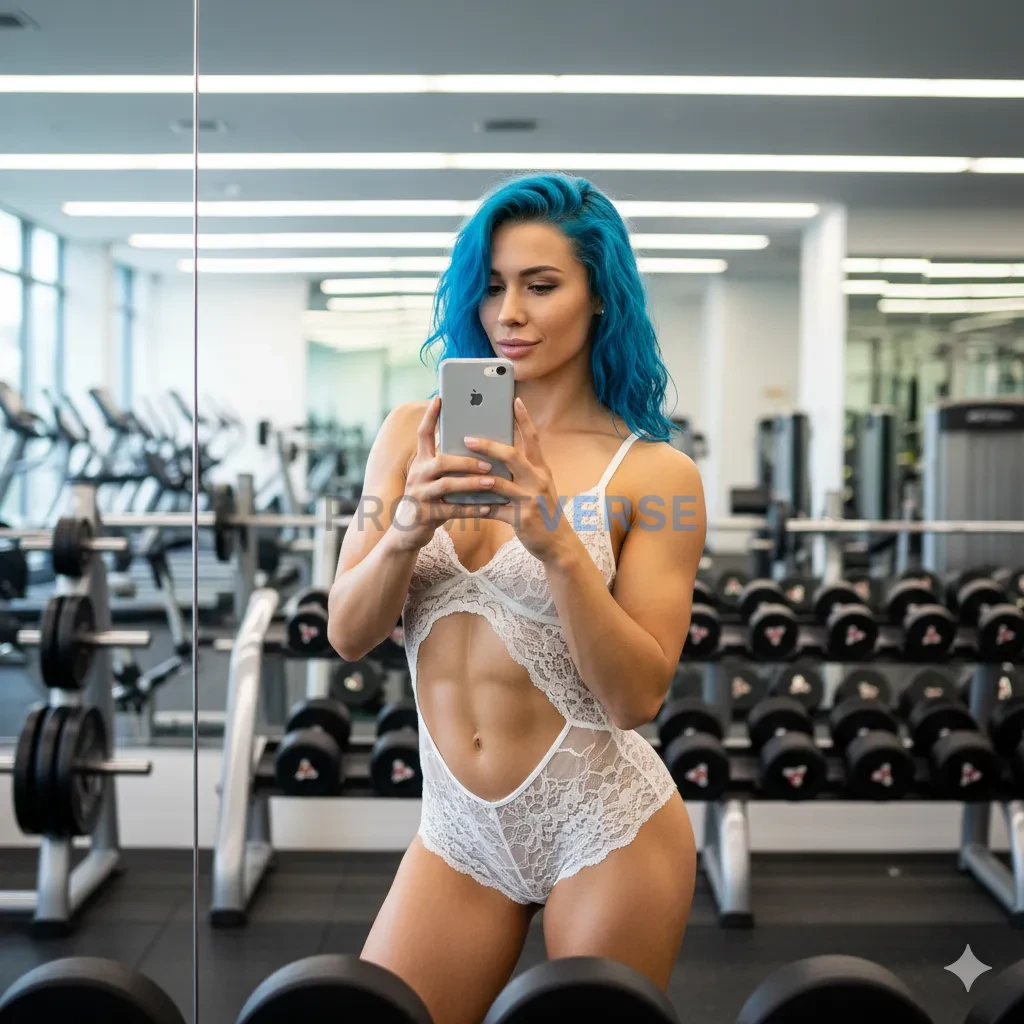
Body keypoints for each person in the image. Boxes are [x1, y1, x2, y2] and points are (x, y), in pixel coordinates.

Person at [328, 172, 706, 1024]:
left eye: (540, 286)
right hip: (458, 832)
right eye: (493, 285)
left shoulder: (653, 474)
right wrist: (405, 529)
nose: (510, 313)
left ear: (600, 296)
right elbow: (348, 633)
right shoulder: (412, 434)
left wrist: (556, 544)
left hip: (604, 826)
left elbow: (636, 698)